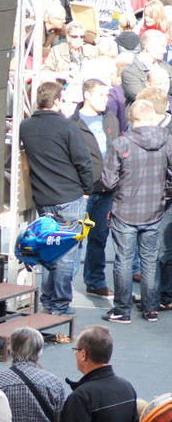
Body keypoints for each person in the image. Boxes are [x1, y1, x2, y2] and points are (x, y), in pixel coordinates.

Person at [19, 81, 93, 316]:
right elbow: (83, 161)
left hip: (44, 198)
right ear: (58, 101)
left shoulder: (25, 126)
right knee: (65, 253)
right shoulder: (67, 126)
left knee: (49, 249)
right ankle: (59, 305)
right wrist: (87, 189)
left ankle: (49, 302)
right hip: (69, 196)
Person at [101, 99, 172, 323]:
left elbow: (108, 181)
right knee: (150, 259)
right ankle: (151, 308)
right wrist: (164, 194)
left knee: (124, 260)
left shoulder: (121, 144)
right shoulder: (167, 140)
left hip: (125, 209)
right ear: (152, 116)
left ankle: (122, 310)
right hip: (154, 209)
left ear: (131, 118)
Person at [70, 79, 118, 299]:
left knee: (99, 237)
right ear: (86, 96)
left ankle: (95, 282)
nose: (105, 99)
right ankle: (64, 289)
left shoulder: (110, 118)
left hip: (107, 189)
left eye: (107, 95)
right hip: (82, 191)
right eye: (101, 95)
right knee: (75, 240)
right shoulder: (73, 123)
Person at [121, 30, 172, 103]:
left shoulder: (166, 67)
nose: (165, 51)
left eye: (165, 47)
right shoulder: (130, 72)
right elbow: (142, 98)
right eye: (162, 46)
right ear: (148, 48)